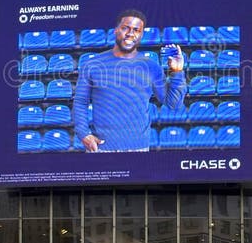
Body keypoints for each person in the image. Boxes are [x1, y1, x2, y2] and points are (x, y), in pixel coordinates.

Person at [73, 9, 186, 152]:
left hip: (139, 149)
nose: (130, 33)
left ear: (141, 34)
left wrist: (177, 72)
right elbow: (80, 101)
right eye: (125, 28)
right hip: (101, 148)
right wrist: (84, 134)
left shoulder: (151, 66)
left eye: (136, 30)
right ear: (116, 30)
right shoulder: (92, 65)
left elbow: (173, 104)